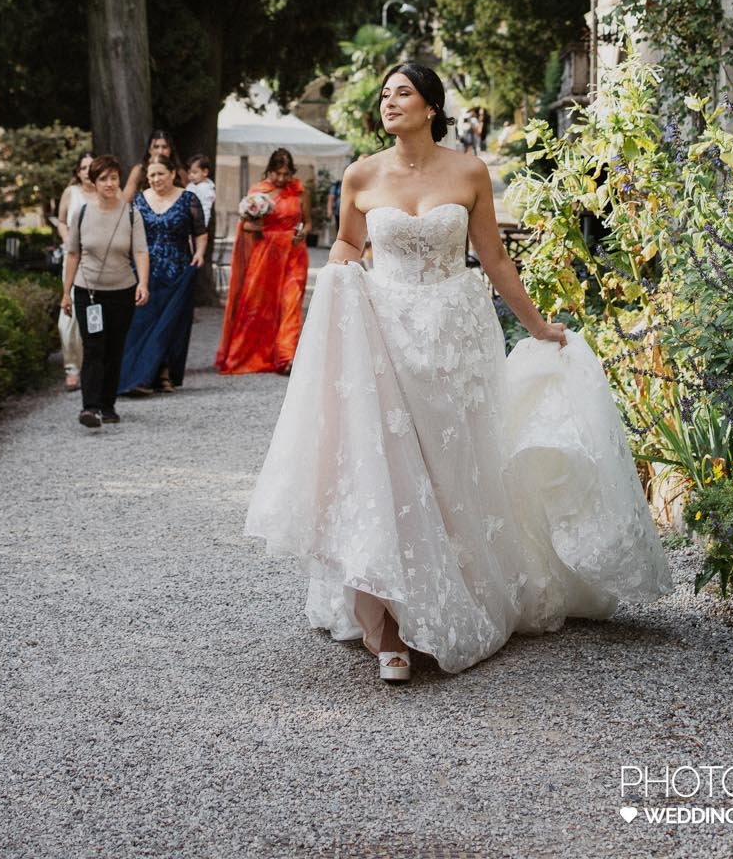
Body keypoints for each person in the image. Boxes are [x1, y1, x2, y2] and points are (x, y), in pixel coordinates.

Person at [243, 62, 668, 681]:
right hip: (384, 339)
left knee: (454, 471)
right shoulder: (361, 174)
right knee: (385, 465)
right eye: (385, 95)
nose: (390, 103)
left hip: (454, 341)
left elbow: (493, 258)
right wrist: (335, 281)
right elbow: (346, 247)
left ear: (432, 107)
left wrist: (540, 325)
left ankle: (458, 590)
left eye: (403, 93)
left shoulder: (469, 172)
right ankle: (386, 625)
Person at [61, 156, 150, 430]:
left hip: (121, 290)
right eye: (104, 179)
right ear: (93, 181)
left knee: (114, 349)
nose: (110, 184)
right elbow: (73, 254)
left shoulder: (131, 213)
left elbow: (140, 251)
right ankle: (90, 407)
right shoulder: (82, 213)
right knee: (94, 347)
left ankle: (108, 405)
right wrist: (66, 292)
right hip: (87, 291)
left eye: (114, 178)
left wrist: (142, 283)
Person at [117, 155, 207, 397]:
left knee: (171, 325)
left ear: (172, 174)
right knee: (142, 324)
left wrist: (199, 253)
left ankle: (164, 372)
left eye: (160, 174)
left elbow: (200, 231)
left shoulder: (188, 198)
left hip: (177, 269)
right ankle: (140, 375)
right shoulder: (139, 200)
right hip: (145, 270)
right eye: (151, 175)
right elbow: (129, 234)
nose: (156, 179)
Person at [214, 147, 309, 375]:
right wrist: (254, 225)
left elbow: (308, 222)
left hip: (294, 253)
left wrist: (303, 232)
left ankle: (287, 357)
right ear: (270, 171)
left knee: (291, 303)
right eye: (278, 174)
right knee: (258, 306)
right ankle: (256, 354)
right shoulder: (258, 192)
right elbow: (245, 225)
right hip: (266, 255)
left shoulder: (298, 190)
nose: (282, 179)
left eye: (287, 174)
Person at [54, 152, 93, 392]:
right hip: (73, 259)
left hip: (98, 261)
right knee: (69, 316)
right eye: (84, 167)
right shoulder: (71, 193)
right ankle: (71, 366)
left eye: (92, 166)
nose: (88, 171)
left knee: (93, 314)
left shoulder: (104, 193)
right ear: (78, 172)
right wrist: (69, 240)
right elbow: (61, 221)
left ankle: (91, 365)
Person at [185, 153, 218, 307]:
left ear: (205, 172)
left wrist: (198, 228)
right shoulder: (193, 186)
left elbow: (204, 210)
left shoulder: (206, 190)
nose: (191, 175)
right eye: (190, 172)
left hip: (196, 229)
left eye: (194, 172)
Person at [122, 130, 185, 203]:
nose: (160, 151)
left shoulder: (180, 172)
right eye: (156, 147)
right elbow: (125, 200)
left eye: (164, 147)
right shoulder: (139, 170)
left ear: (170, 150)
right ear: (149, 150)